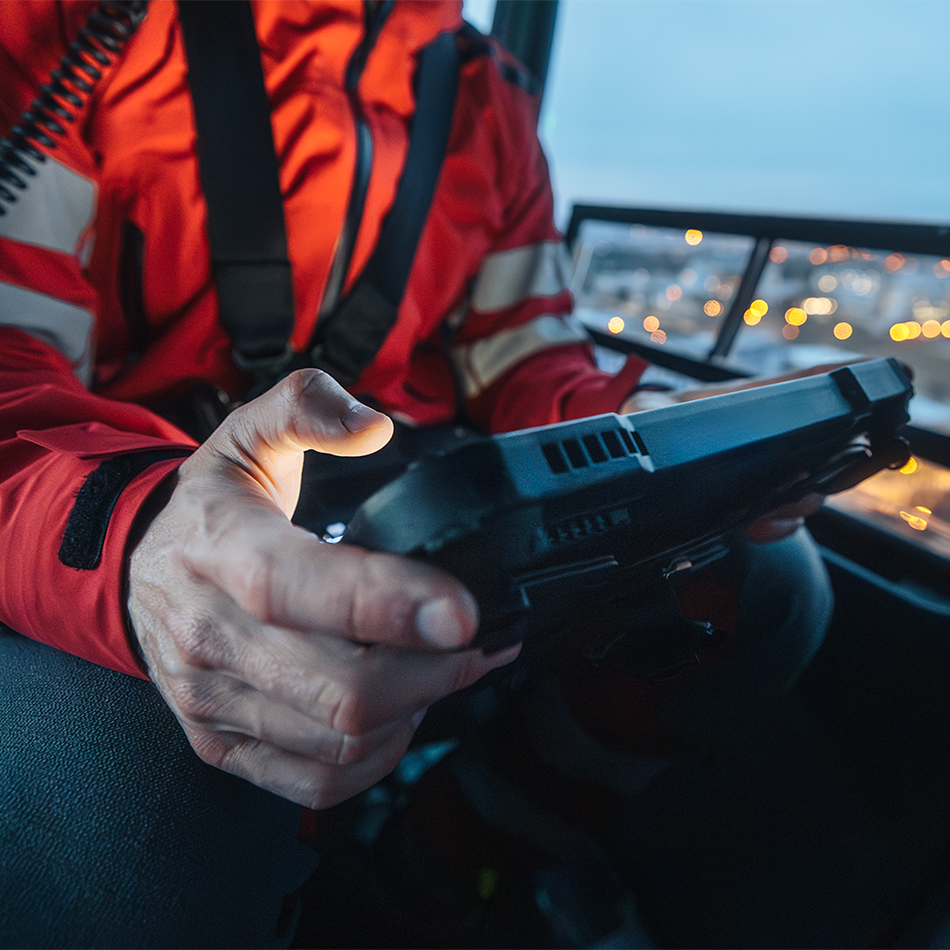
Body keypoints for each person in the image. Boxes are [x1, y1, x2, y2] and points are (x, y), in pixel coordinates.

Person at [0, 1, 831, 947]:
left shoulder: (490, 96)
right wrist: (138, 536)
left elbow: (522, 352)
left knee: (766, 587)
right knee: (140, 817)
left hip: (381, 463)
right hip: (126, 478)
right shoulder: (69, 25)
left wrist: (637, 431)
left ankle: (434, 867)